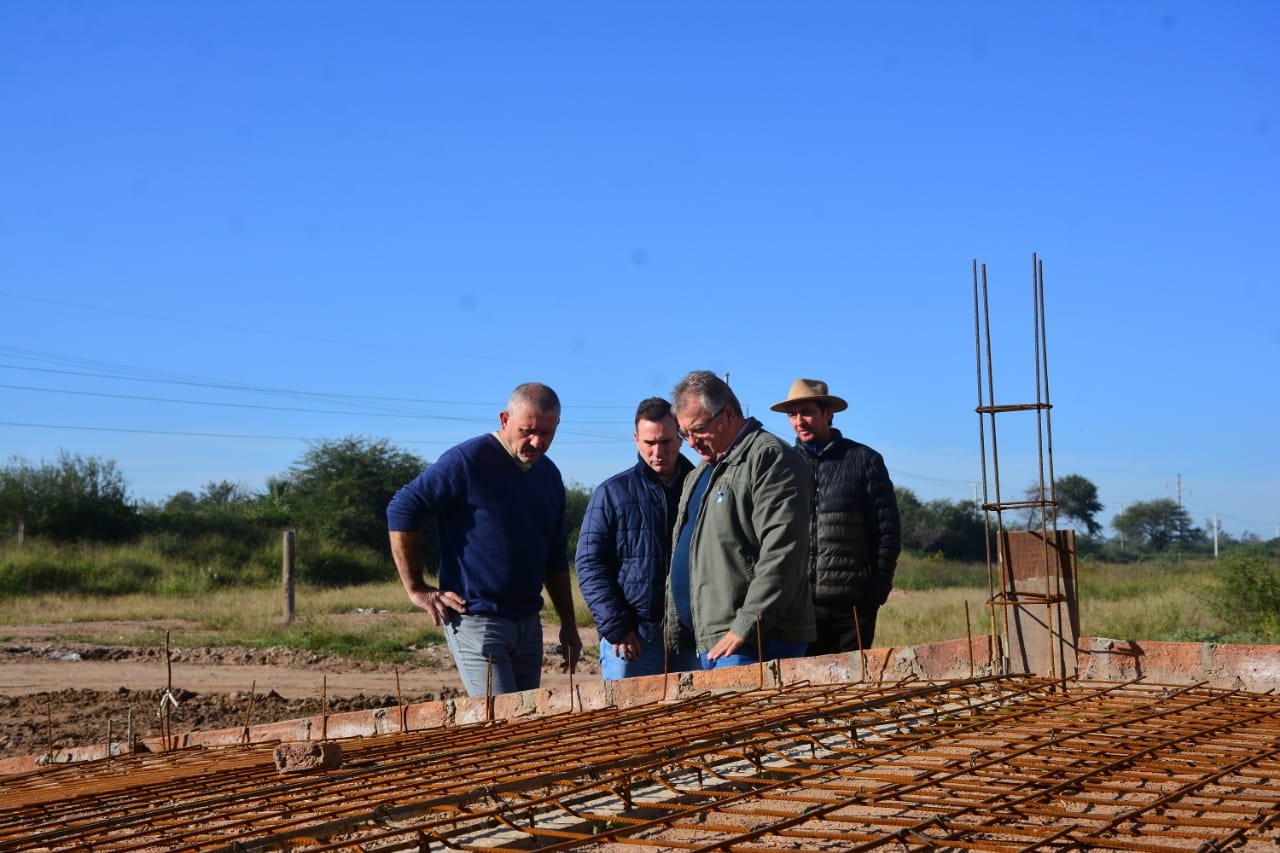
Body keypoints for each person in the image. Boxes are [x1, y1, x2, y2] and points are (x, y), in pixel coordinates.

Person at [386, 382, 582, 696]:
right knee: (499, 717)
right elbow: (402, 508)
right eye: (527, 431)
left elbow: (554, 557)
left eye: (546, 433)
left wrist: (568, 624)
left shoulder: (549, 476)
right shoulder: (468, 461)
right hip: (477, 618)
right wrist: (417, 588)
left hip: (528, 623)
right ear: (505, 419)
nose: (536, 441)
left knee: (526, 716)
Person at [664, 370, 815, 670]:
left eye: (698, 429)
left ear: (729, 414)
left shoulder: (768, 458)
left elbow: (783, 551)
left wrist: (746, 624)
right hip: (710, 640)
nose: (691, 443)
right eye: (684, 434)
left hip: (754, 640)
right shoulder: (700, 472)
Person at [770, 378, 901, 654]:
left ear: (828, 413)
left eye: (807, 412)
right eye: (792, 414)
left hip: (852, 608)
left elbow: (887, 532)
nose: (799, 421)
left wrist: (875, 595)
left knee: (852, 680)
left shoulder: (864, 460)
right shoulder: (782, 465)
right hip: (797, 608)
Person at [575, 397, 694, 679]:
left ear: (681, 438)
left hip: (692, 639)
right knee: (628, 710)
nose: (657, 452)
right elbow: (590, 564)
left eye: (665, 441)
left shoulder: (702, 487)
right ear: (636, 439)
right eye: (649, 443)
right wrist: (616, 627)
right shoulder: (611, 493)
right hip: (634, 640)